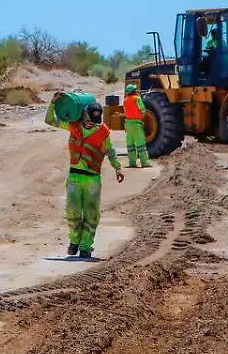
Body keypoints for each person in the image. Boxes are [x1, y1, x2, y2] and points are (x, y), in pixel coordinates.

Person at [45, 94, 124, 258]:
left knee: (92, 214)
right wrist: (53, 103)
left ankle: (86, 246)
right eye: (88, 118)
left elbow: (110, 151)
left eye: (94, 121)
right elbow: (49, 120)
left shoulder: (103, 132)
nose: (90, 122)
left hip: (93, 179)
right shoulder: (73, 126)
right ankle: (74, 242)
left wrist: (118, 168)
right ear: (83, 113)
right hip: (74, 177)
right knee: (72, 212)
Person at [122, 84, 152, 169]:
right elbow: (142, 109)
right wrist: (142, 117)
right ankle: (144, 163)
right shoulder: (137, 99)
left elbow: (125, 111)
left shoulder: (125, 101)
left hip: (128, 124)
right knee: (141, 145)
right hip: (136, 124)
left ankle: (132, 163)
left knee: (130, 145)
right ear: (133, 91)